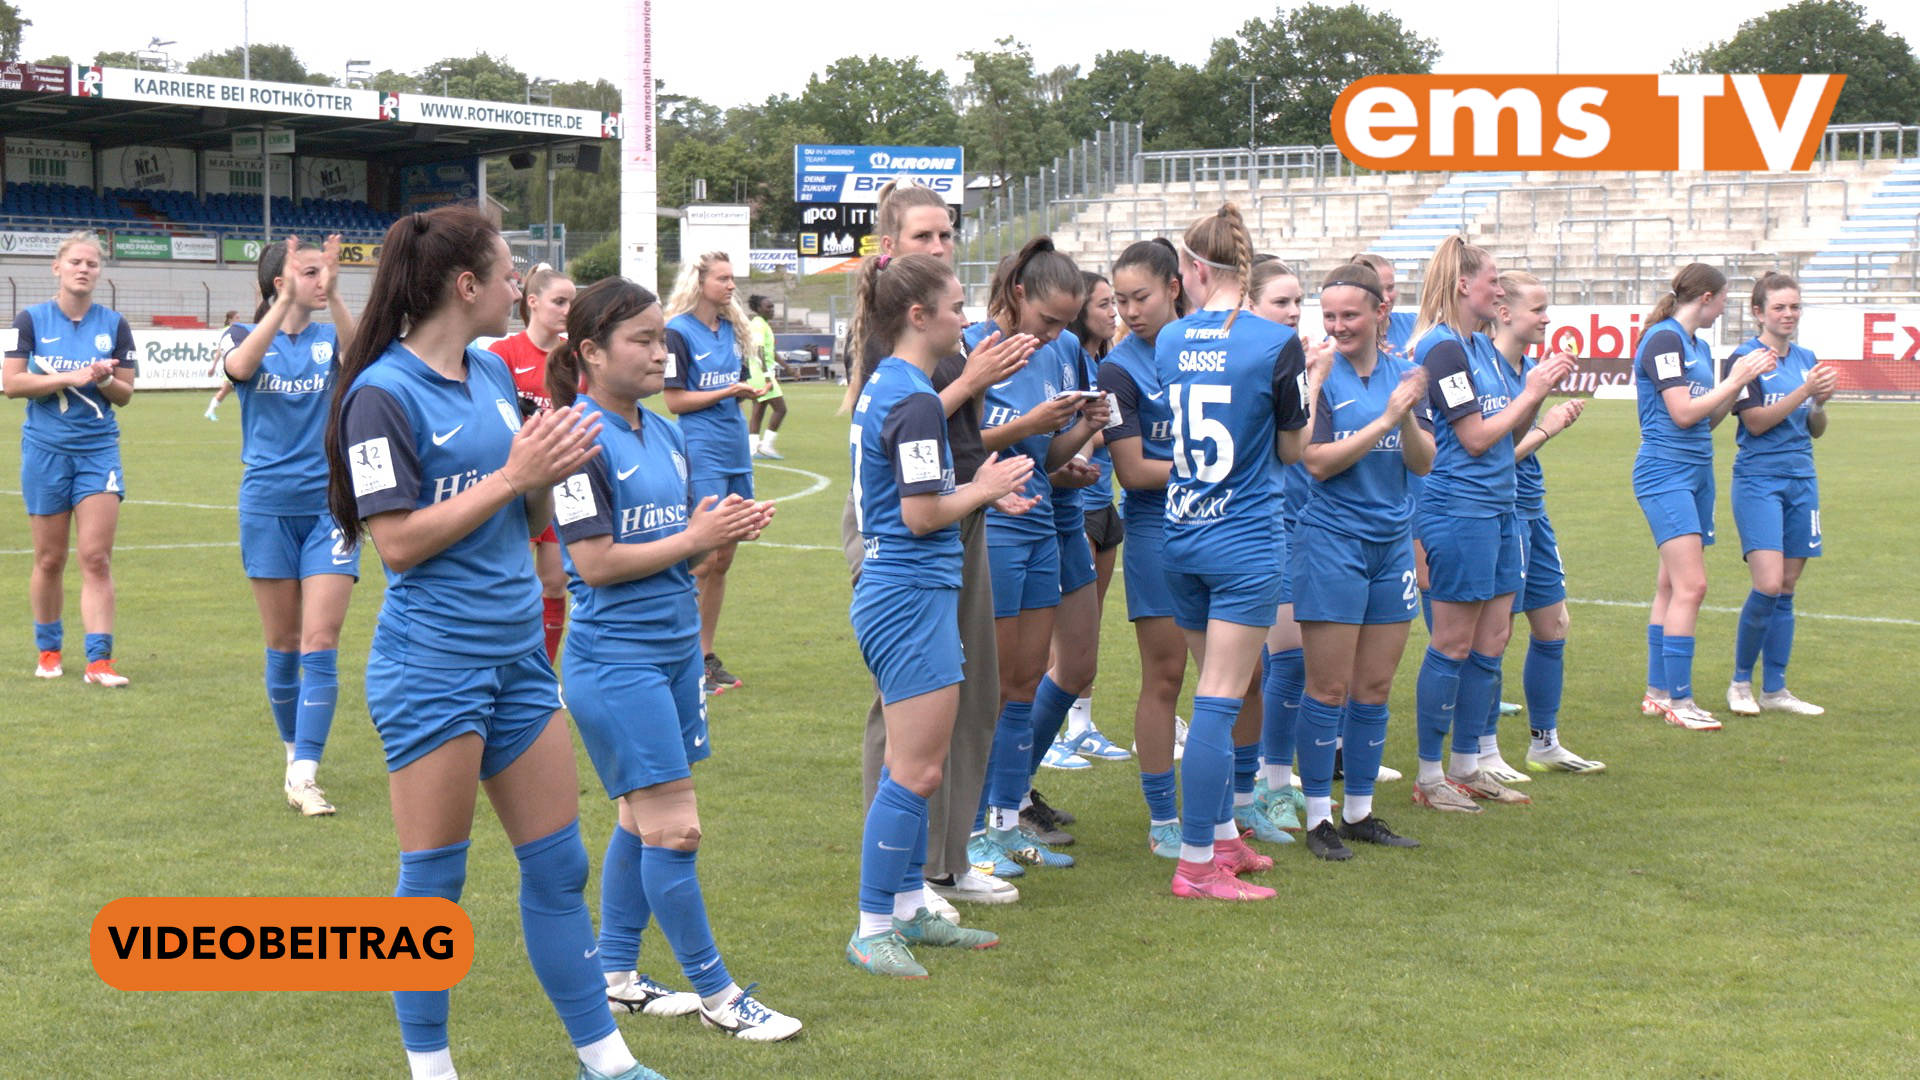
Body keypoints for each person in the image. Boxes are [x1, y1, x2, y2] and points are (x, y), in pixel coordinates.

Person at [324, 205, 661, 1080]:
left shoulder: (485, 372)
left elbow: (525, 506)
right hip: (432, 668)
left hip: (518, 662)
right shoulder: (380, 396)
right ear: (466, 285)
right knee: (434, 887)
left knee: (560, 869)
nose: (523, 287)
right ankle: (430, 1070)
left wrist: (541, 480)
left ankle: (607, 1060)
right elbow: (395, 544)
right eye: (511, 272)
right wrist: (514, 473)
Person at [543, 276, 799, 1040]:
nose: (663, 353)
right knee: (676, 829)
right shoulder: (575, 439)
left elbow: (673, 555)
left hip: (674, 651)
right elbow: (591, 565)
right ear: (590, 353)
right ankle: (721, 996)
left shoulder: (664, 431)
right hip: (614, 662)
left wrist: (720, 531)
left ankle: (617, 972)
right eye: (644, 341)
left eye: (663, 338)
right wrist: (693, 539)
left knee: (639, 819)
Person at [845, 251, 1037, 977]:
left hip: (907, 589)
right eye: (956, 307)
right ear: (918, 316)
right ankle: (873, 925)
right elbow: (922, 515)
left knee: (914, 764)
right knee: (916, 770)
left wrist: (978, 485)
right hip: (908, 592)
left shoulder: (897, 386)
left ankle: (905, 908)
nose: (967, 318)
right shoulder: (916, 396)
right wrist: (984, 486)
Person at [1158, 204, 1312, 900]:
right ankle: (1198, 864)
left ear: (1193, 269)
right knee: (1220, 701)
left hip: (1181, 531)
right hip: (1245, 537)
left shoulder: (1168, 339)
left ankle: (1221, 839)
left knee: (1214, 691)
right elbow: (1293, 449)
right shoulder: (1273, 343)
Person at [1408, 237, 1573, 813]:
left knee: (1492, 641)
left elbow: (1501, 426)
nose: (1499, 289)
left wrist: (1534, 395)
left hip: (1501, 510)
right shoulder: (1442, 350)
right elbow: (1476, 438)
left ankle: (1468, 766)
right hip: (1461, 510)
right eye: (1492, 279)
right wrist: (1533, 394)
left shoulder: (1476, 346)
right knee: (1452, 642)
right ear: (1463, 285)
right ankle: (1430, 776)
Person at [964, 238, 1107, 880]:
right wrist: (1030, 424)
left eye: (1064, 324)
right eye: (1047, 320)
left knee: (1023, 685)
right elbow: (952, 444)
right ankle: (965, 833)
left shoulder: (1067, 351)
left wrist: (1080, 429)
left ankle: (1005, 823)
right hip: (992, 529)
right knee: (989, 691)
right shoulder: (972, 346)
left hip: (1044, 523)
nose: (1054, 335)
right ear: (1018, 293)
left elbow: (1046, 459)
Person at [1292, 262, 1435, 859]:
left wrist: (1402, 416)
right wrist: (1384, 416)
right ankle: (1318, 817)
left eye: (1349, 314)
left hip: (1390, 543)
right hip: (1332, 542)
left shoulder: (1405, 375)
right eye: (1328, 316)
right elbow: (1317, 461)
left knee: (1374, 687)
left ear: (1380, 313)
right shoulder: (1319, 376)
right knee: (1328, 688)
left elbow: (1423, 462)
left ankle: (1361, 812)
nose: (1338, 325)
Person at [220, 234, 360, 815]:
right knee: (281, 645)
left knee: (319, 642)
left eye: (324, 271)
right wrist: (284, 307)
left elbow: (363, 360)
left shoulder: (332, 336)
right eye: (308, 271)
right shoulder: (242, 335)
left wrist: (335, 291)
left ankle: (305, 774)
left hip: (329, 505)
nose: (319, 279)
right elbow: (239, 367)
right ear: (280, 283)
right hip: (266, 506)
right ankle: (292, 753)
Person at [1632, 263, 1775, 731]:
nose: (1724, 308)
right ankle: (1681, 699)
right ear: (1708, 298)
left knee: (1672, 586)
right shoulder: (1664, 339)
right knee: (1693, 586)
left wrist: (1731, 395)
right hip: (1666, 472)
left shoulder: (1695, 345)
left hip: (1695, 472)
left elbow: (1702, 417)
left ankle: (1658, 693)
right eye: (1724, 299)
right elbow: (1679, 412)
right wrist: (1734, 381)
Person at [1483, 271, 1606, 776]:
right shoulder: (1485, 371)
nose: (1547, 317)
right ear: (1505, 312)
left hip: (1533, 507)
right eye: (1538, 308)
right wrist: (1547, 428)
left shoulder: (1527, 369)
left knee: (1553, 624)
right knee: (1492, 635)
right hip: (1498, 512)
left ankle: (1545, 741)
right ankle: (1482, 750)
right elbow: (1486, 456)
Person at [5, 230, 137, 687]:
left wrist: (101, 380)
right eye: (77, 262)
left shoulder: (114, 324)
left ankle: (99, 661)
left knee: (96, 558)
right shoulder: (31, 320)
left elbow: (125, 394)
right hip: (44, 453)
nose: (84, 269)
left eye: (93, 263)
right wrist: (70, 376)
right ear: (57, 267)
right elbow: (11, 383)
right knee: (48, 559)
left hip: (98, 451)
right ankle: (49, 650)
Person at [1100, 238, 1194, 857]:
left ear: (1175, 288)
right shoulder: (1116, 369)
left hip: (1227, 524)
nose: (1130, 311)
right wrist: (1216, 467)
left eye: (1142, 297)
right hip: (1158, 531)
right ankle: (1163, 819)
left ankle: (1241, 803)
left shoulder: (1216, 349)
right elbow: (1132, 472)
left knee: (1249, 674)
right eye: (1121, 301)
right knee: (1166, 675)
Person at [1031, 270, 1130, 783]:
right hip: (1062, 510)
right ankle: (1042, 750)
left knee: (1084, 639)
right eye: (1106, 303)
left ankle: (1079, 728)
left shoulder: (1092, 359)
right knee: (1045, 647)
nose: (1114, 312)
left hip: (1096, 501)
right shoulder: (1057, 357)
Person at [1724, 272, 1835, 717]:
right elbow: (1755, 422)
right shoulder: (1746, 358)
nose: (1788, 315)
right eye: (1779, 308)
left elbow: (1816, 428)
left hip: (1801, 479)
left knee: (1787, 587)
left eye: (1794, 307)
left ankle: (1776, 689)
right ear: (1758, 313)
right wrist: (1804, 392)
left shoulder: (1806, 357)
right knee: (1767, 583)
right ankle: (1739, 682)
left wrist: (1821, 403)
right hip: (1758, 481)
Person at [663, 252, 766, 695]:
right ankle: (680, 656)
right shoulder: (676, 332)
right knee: (701, 559)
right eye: (722, 278)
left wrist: (748, 389)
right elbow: (675, 402)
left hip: (734, 448)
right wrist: (729, 390)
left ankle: (705, 656)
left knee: (724, 559)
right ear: (698, 281)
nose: (730, 286)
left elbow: (737, 387)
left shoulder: (732, 331)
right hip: (701, 449)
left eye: (732, 279)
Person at [488, 262, 576, 663]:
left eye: (571, 302)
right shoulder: (503, 353)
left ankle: (544, 670)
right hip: (517, 483)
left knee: (555, 584)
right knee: (515, 585)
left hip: (559, 483)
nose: (567, 310)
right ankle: (509, 661)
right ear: (533, 302)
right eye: (559, 301)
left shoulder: (574, 359)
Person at [744, 294, 788, 459]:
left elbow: (771, 352)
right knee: (780, 409)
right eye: (768, 307)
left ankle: (753, 448)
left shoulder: (762, 324)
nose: (772, 310)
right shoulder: (757, 325)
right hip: (761, 374)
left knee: (759, 409)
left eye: (772, 307)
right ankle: (767, 446)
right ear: (758, 309)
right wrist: (766, 375)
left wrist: (788, 368)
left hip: (757, 374)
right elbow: (759, 350)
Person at [206, 310, 241, 419]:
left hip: (234, 364)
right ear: (230, 319)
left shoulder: (235, 331)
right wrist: (213, 366)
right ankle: (210, 411)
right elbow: (219, 351)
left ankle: (210, 411)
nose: (239, 320)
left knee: (229, 389)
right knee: (226, 389)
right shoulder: (227, 331)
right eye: (237, 318)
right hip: (230, 365)